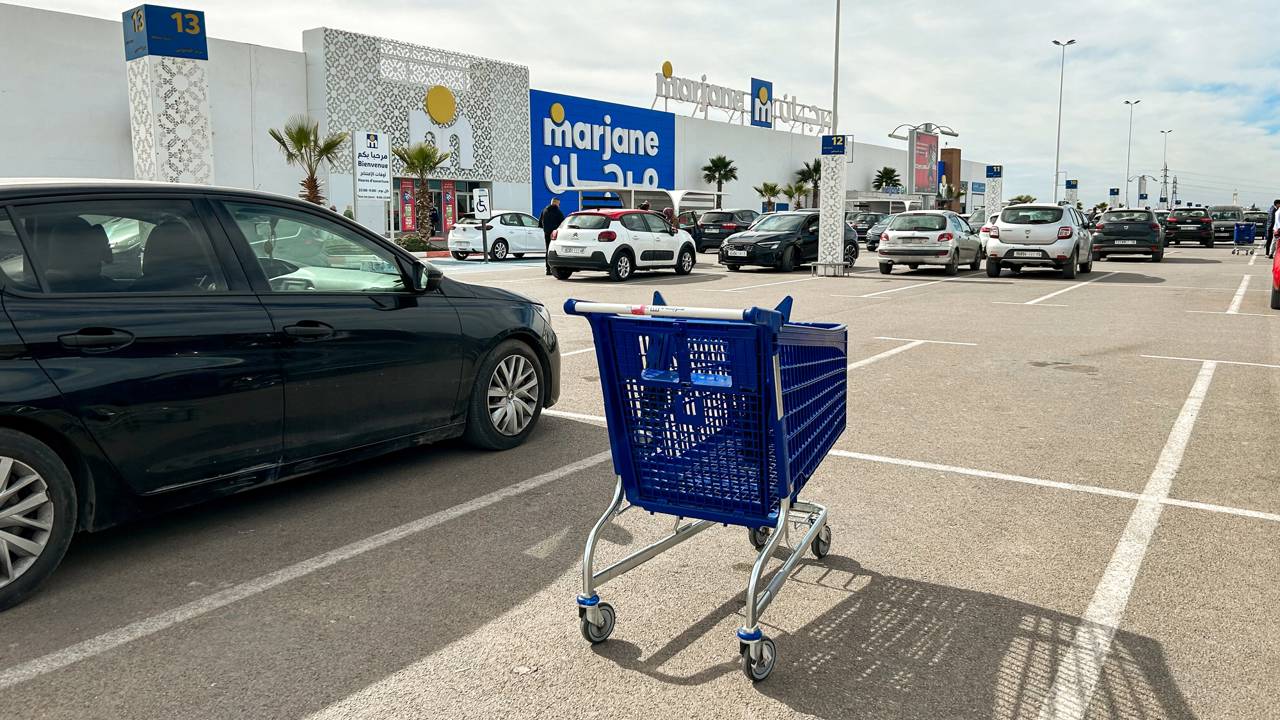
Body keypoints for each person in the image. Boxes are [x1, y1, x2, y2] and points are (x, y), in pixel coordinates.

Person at [538, 197, 565, 274]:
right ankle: (555, 269)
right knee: (556, 251)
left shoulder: (544, 210)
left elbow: (540, 223)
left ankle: (548, 269)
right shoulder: (558, 211)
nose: (559, 205)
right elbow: (562, 223)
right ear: (556, 203)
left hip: (546, 233)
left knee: (548, 251)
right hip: (555, 235)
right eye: (559, 204)